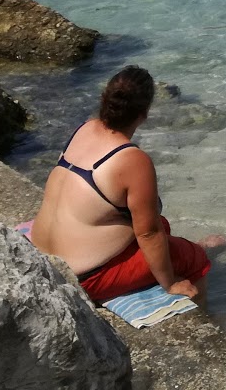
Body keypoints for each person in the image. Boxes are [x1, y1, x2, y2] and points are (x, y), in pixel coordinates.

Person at [29, 66, 213, 305]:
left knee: (161, 225)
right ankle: (208, 313)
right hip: (83, 277)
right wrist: (170, 283)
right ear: (144, 113)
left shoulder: (85, 128)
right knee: (195, 258)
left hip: (45, 256)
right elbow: (148, 233)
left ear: (104, 100)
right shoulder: (132, 160)